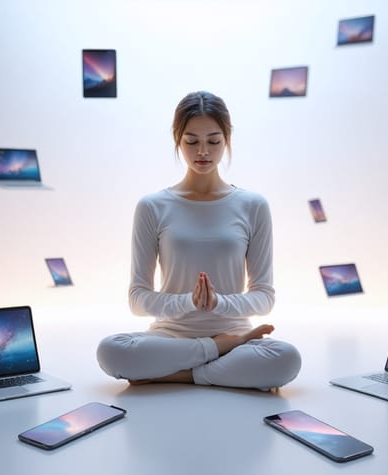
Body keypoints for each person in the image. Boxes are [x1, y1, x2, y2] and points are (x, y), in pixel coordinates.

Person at [96, 91, 301, 390]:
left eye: (213, 141)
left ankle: (180, 375)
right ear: (178, 139)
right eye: (191, 141)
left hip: (234, 335)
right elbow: (138, 300)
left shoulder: (253, 205)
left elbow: (264, 297)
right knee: (110, 350)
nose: (202, 151)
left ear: (227, 138)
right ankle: (216, 357)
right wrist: (188, 303)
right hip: (173, 337)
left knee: (287, 358)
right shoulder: (152, 206)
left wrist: (219, 303)